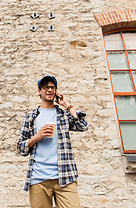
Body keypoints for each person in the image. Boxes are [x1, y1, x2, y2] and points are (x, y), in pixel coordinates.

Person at [17, 75, 88, 208]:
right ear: (39, 91)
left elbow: (82, 126)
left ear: (55, 91)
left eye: (52, 87)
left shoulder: (63, 114)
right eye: (45, 87)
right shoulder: (31, 117)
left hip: (65, 176)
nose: (49, 90)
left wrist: (67, 104)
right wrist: (36, 137)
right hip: (38, 178)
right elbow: (21, 148)